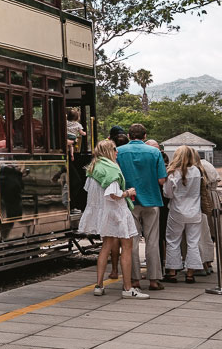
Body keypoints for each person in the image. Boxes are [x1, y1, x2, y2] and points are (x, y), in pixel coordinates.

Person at [78, 139, 148, 298]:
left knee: (106, 247)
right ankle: (128, 288)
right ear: (109, 151)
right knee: (127, 247)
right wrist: (128, 192)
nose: (117, 152)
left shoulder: (94, 168)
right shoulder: (112, 169)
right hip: (118, 213)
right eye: (115, 149)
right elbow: (114, 194)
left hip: (104, 213)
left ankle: (99, 285)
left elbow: (89, 191)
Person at [118, 123, 167, 290]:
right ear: (145, 136)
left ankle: (134, 279)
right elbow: (162, 180)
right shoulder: (154, 152)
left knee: (131, 241)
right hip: (152, 199)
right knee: (152, 240)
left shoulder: (120, 152)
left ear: (129, 135)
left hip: (129, 201)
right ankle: (154, 279)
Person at [163, 146, 206, 283]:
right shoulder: (197, 171)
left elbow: (167, 193)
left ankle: (172, 271)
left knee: (173, 241)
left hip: (177, 210)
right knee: (193, 242)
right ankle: (190, 273)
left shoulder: (173, 173)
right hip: (194, 211)